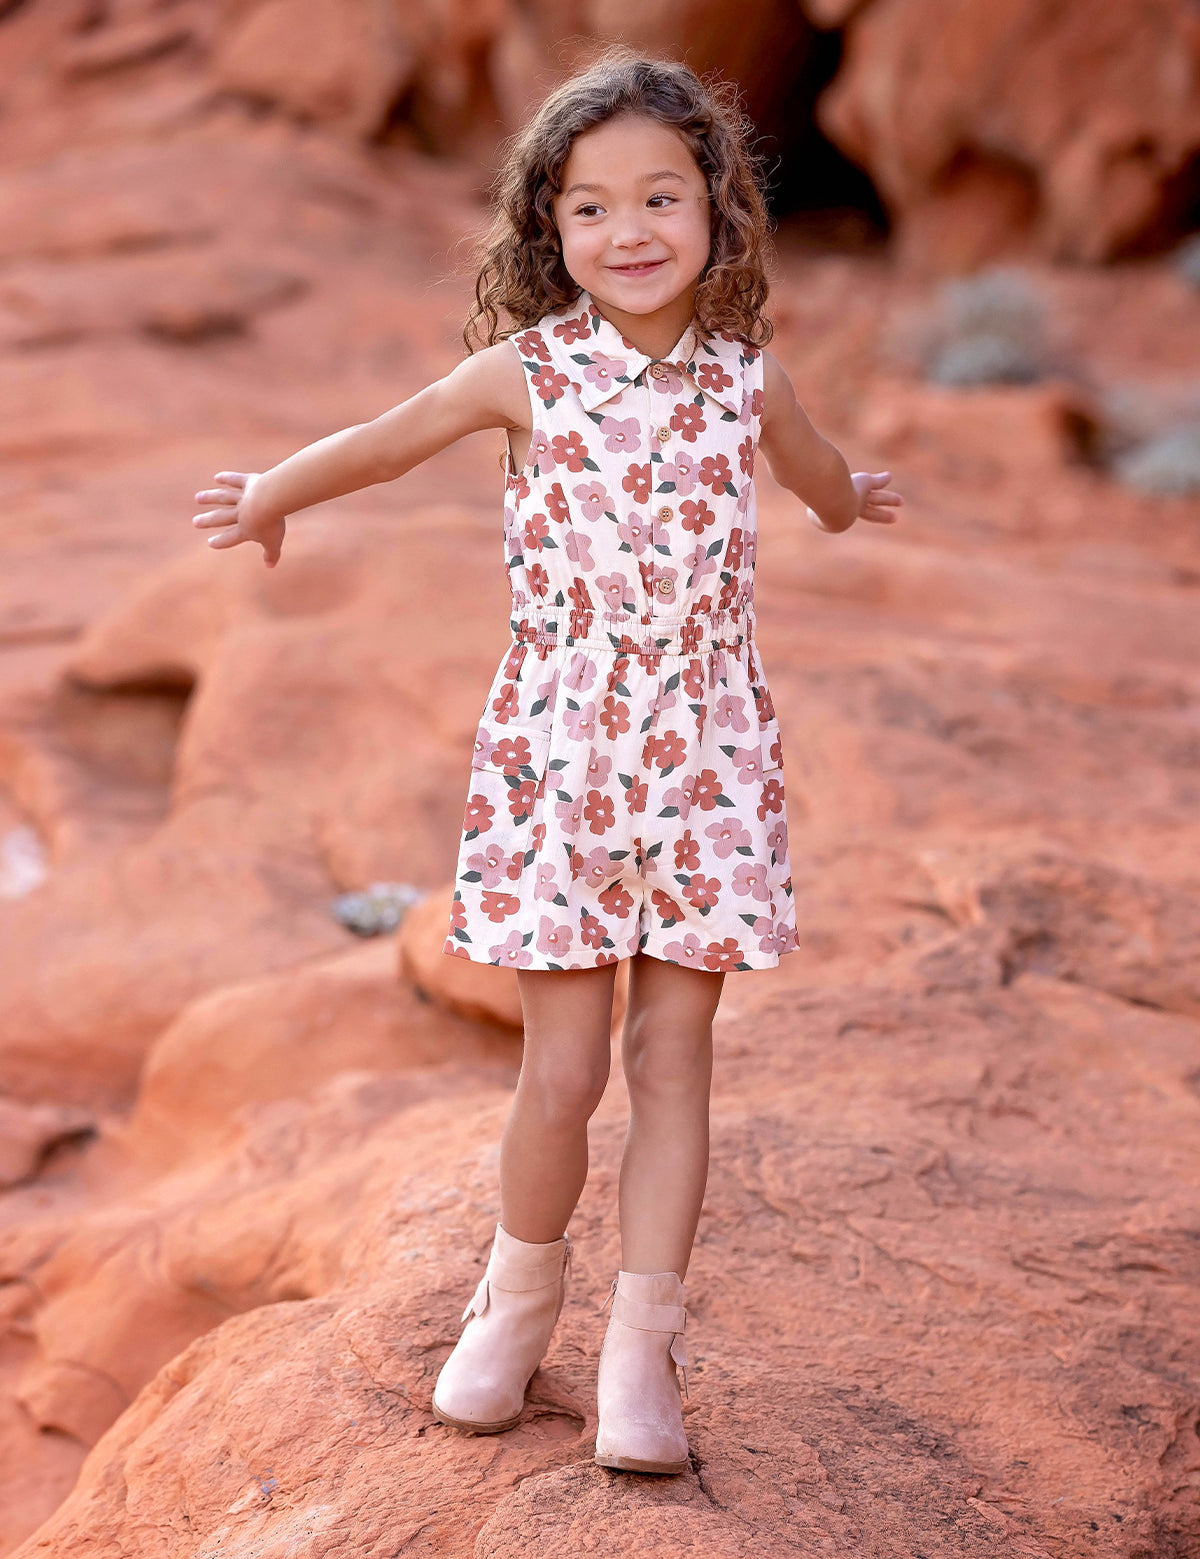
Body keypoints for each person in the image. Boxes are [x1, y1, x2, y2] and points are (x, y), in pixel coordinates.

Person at [190, 49, 901, 1477]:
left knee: (675, 1053)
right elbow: (384, 444)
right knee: (564, 1065)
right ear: (549, 228)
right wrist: (271, 493)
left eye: (660, 197)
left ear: (717, 207)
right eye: (590, 207)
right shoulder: (525, 376)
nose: (629, 231)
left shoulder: (746, 381)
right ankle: (515, 1304)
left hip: (707, 760)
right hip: (560, 759)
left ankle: (644, 1344)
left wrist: (848, 500)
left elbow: (817, 475)